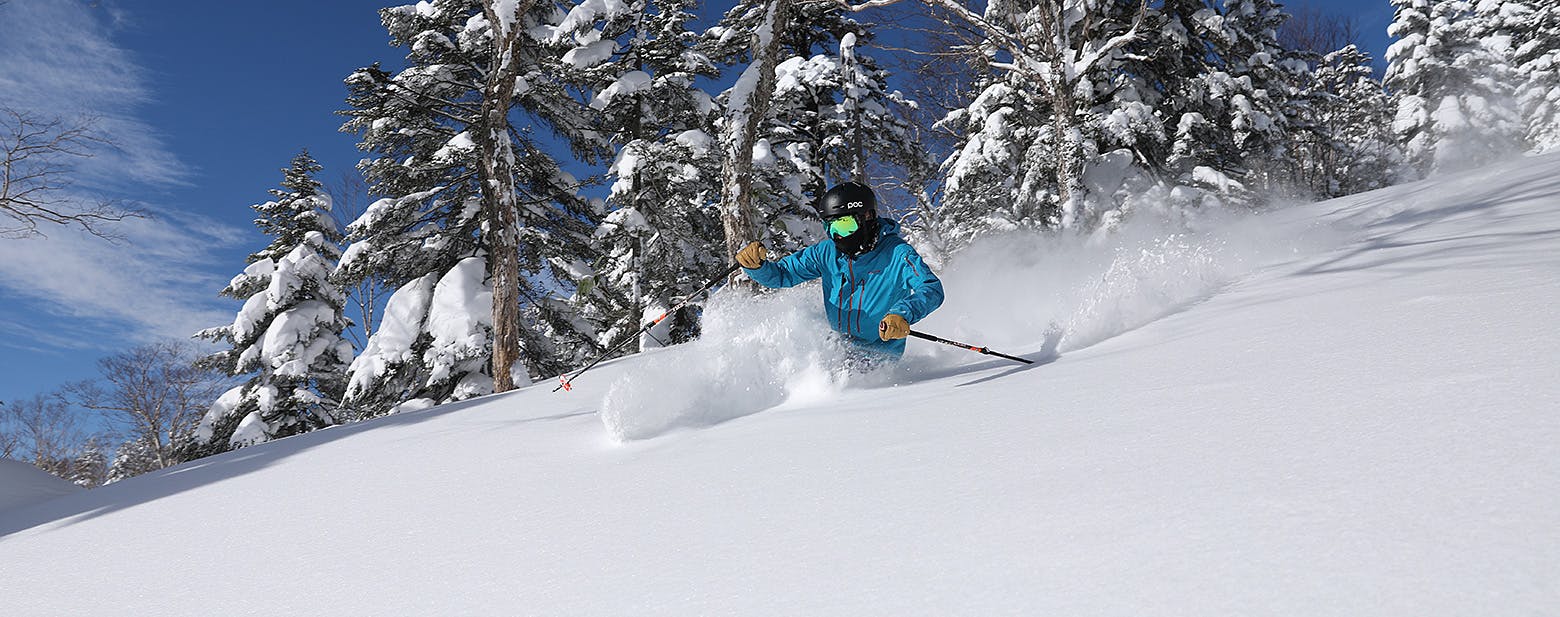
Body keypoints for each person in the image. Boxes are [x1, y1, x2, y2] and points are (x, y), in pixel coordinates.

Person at [735, 182, 944, 362]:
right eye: (831, 227)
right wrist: (757, 267)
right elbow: (782, 274)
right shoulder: (826, 252)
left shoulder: (897, 254)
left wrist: (902, 313)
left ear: (868, 217)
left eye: (844, 226)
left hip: (879, 357)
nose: (838, 236)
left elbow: (931, 288)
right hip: (836, 350)